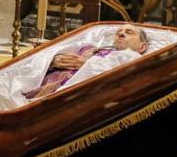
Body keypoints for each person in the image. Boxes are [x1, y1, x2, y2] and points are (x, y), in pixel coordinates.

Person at [23, 24, 151, 100]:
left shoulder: (131, 57)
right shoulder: (91, 47)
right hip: (37, 86)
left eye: (129, 32)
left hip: (64, 97)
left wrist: (87, 65)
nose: (122, 34)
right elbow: (53, 53)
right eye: (119, 32)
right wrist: (53, 61)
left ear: (142, 47)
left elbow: (116, 76)